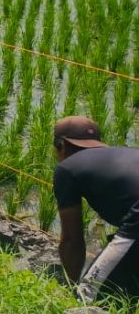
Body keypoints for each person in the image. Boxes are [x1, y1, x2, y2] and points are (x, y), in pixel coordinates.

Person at [53, 115, 139, 301]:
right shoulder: (128, 154)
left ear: (61, 146)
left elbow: (71, 240)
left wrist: (72, 286)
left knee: (88, 296)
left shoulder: (67, 168)